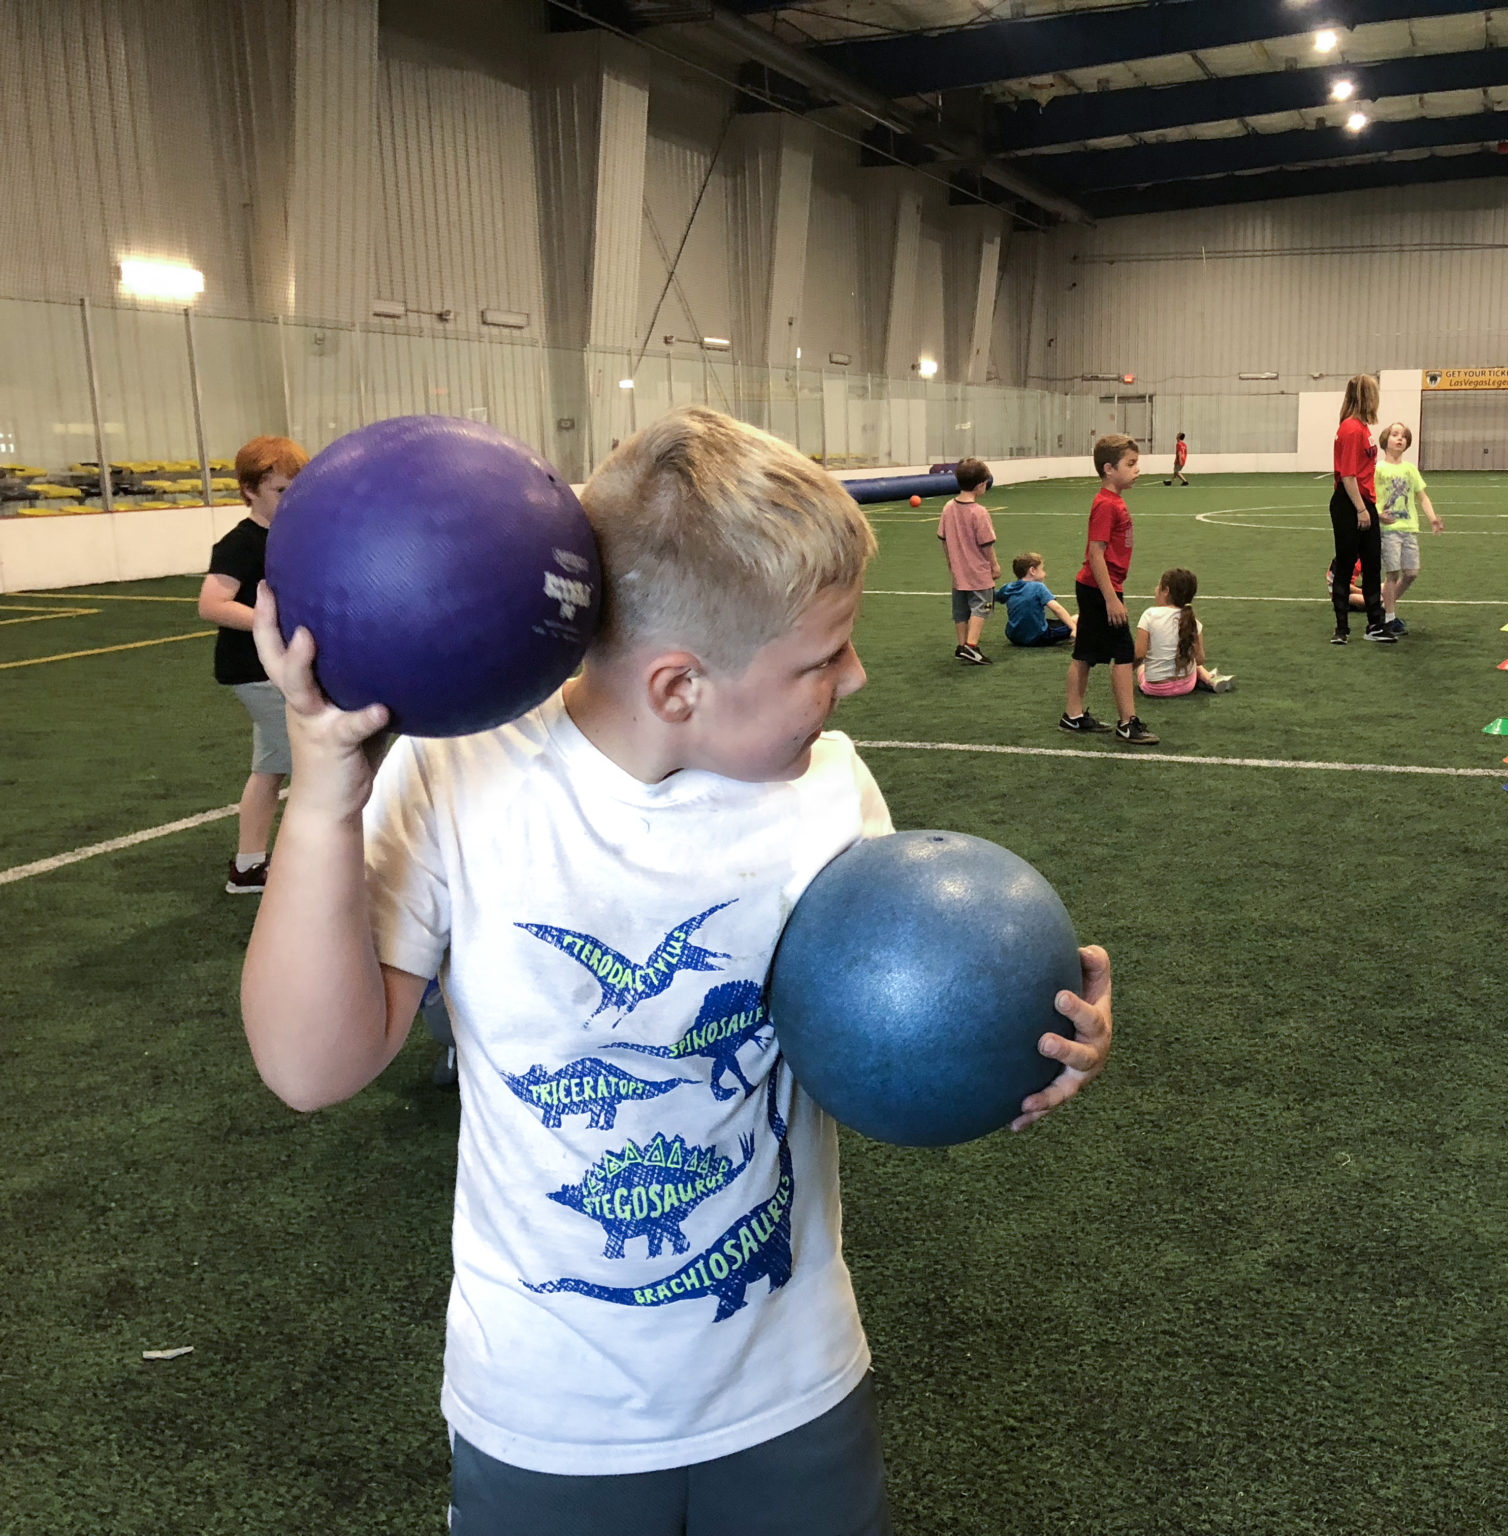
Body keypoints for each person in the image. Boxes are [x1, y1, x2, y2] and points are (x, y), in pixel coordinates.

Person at [239, 405, 1115, 1536]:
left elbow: (883, 1036)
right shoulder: (458, 779)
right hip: (548, 1407)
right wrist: (324, 795)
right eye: (820, 658)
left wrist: (1016, 1044)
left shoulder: (829, 791)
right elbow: (311, 1069)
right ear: (677, 687)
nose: (851, 682)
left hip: (789, 1383)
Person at [196, 434, 309, 895]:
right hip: (256, 672)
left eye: (296, 489)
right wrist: (269, 621)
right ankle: (310, 866)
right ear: (249, 491)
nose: (290, 499)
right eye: (280, 490)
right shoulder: (241, 544)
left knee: (270, 769)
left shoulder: (293, 537)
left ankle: (248, 867)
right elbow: (212, 604)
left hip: (272, 670)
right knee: (314, 767)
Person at [1061, 434, 1158, 743]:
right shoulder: (1105, 504)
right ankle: (1127, 723)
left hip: (1096, 588)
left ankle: (1073, 716)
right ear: (1108, 469)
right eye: (1130, 464)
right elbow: (1095, 553)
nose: (1137, 470)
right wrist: (1111, 600)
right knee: (1124, 652)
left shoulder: (1115, 501)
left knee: (1085, 653)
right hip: (1099, 590)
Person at [1327, 374, 1394, 645]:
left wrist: (1372, 509)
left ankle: (1375, 625)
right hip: (1350, 502)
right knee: (1345, 565)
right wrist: (1361, 510)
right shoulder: (1352, 429)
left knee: (1372, 564)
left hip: (1362, 501)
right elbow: (1348, 475)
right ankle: (1342, 628)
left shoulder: (1362, 428)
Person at [1373, 423, 1442, 636]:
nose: (1399, 439)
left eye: (1403, 436)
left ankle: (1384, 607)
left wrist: (1432, 518)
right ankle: (1390, 618)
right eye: (1395, 435)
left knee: (1411, 573)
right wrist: (1378, 515)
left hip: (1409, 528)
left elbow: (1422, 496)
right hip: (1389, 530)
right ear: (1385, 440)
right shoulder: (1378, 469)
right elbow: (1371, 496)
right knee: (1392, 573)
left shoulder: (1410, 469)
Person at [1134, 567, 1233, 697]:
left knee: (1142, 666)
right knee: (1190, 661)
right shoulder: (1192, 621)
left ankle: (1207, 678)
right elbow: (1200, 659)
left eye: (1159, 586)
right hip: (1187, 686)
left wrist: (1127, 669)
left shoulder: (1150, 615)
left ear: (1166, 591)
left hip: (1155, 688)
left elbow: (1139, 654)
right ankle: (1209, 678)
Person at [937, 457, 999, 664]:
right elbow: (986, 543)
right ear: (980, 484)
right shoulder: (979, 512)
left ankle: (962, 644)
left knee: (960, 609)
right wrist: (994, 565)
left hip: (958, 571)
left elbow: (943, 539)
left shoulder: (948, 507)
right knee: (982, 606)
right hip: (978, 571)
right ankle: (971, 646)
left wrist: (950, 563)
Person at [993, 553, 1074, 647]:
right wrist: (1074, 629)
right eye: (1042, 569)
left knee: (1054, 622)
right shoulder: (1038, 587)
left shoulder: (1008, 587)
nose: (1045, 573)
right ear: (1032, 570)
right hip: (1038, 637)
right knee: (1078, 620)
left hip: (1013, 636)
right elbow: (1056, 608)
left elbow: (993, 596)